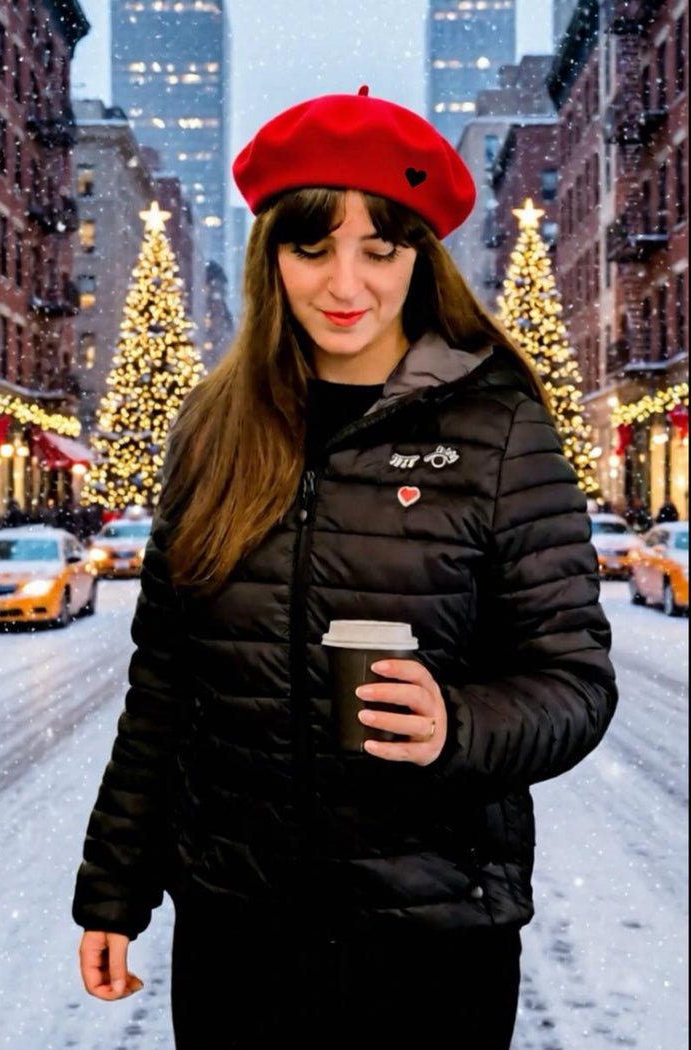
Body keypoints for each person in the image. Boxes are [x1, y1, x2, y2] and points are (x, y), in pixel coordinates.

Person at [72, 86, 618, 1050]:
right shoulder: (212, 430)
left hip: (432, 941)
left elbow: (574, 681)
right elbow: (163, 687)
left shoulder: (500, 429)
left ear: (420, 258)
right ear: (271, 257)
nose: (344, 283)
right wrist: (114, 887)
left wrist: (458, 724)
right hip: (237, 933)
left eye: (380, 248)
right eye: (312, 247)